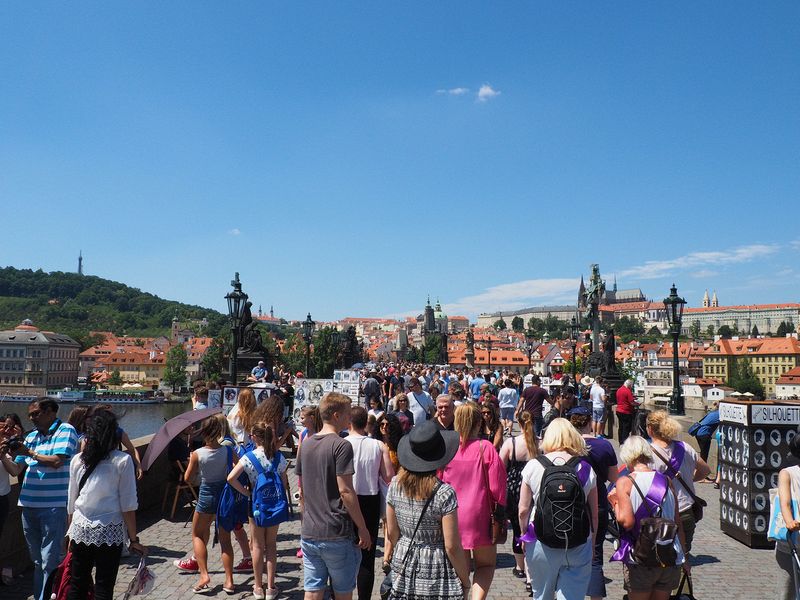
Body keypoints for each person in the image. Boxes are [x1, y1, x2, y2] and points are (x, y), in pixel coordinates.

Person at [295, 392, 371, 600]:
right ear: (336, 415)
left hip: (310, 531)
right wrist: (362, 528)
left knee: (312, 591)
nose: (350, 419)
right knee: (343, 591)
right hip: (336, 530)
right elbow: (345, 491)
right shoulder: (341, 445)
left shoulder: (307, 444)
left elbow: (302, 492)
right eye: (347, 414)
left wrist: (306, 520)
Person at [65, 408, 146, 600]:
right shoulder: (122, 461)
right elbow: (128, 504)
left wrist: (69, 533)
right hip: (109, 528)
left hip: (79, 528)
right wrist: (134, 539)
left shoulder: (77, 460)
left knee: (77, 583)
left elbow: (71, 501)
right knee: (104, 584)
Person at [385, 420, 470, 599]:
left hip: (403, 557)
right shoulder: (444, 493)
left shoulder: (394, 486)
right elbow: (452, 545)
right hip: (435, 564)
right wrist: (465, 579)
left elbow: (392, 533)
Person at [4, 398, 78, 600]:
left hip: (53, 505)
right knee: (37, 561)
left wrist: (28, 452)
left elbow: (56, 461)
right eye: (30, 415)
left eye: (35, 413)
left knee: (50, 560)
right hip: (29, 504)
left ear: (50, 412)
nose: (31, 418)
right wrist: (3, 455)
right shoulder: (32, 437)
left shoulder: (66, 430)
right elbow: (16, 469)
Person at [518, 418, 598, 600]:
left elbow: (523, 509)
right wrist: (592, 543)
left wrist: (524, 536)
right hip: (577, 541)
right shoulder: (585, 468)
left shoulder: (533, 465)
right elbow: (594, 514)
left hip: (541, 540)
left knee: (542, 595)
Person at [440, 402, 507, 600]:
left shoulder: (447, 449)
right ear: (479, 422)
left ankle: (462, 594)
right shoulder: (485, 448)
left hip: (451, 515)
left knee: (459, 568)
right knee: (486, 565)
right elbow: (497, 488)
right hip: (480, 515)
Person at [610, 436, 687, 600]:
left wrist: (615, 503)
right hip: (669, 553)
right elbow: (676, 520)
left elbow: (627, 522)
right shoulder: (666, 480)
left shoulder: (625, 482)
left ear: (627, 456)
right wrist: (685, 556)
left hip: (641, 557)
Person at [227, 421, 289, 600]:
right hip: (275, 505)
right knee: (271, 545)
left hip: (256, 505)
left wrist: (247, 492)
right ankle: (270, 587)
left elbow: (231, 478)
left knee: (257, 546)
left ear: (254, 437)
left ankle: (257, 586)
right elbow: (284, 483)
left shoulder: (249, 457)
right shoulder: (278, 457)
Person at [570, 406, 618, 600]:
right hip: (596, 501)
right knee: (595, 554)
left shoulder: (567, 445)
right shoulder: (604, 445)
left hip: (570, 501)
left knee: (569, 552)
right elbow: (614, 476)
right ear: (590, 422)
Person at [183, 414, 235, 593]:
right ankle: (229, 581)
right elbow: (238, 468)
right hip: (224, 497)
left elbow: (187, 478)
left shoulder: (198, 454)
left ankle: (204, 574)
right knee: (226, 541)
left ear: (203, 432)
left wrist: (193, 463)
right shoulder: (228, 450)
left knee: (197, 534)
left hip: (206, 495)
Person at [346, 406, 395, 599]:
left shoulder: (341, 443)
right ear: (366, 423)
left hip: (347, 500)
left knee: (344, 554)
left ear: (349, 421)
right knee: (367, 556)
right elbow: (389, 476)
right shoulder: (378, 446)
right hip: (370, 501)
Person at [647, 410, 710, 554]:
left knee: (659, 556)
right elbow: (705, 470)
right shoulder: (685, 447)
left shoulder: (647, 453)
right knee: (683, 554)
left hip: (659, 512)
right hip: (685, 510)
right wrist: (689, 479)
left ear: (650, 429)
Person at [499, 411, 538, 593]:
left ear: (519, 424)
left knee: (517, 527)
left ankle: (520, 567)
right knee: (533, 527)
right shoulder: (540, 443)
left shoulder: (511, 443)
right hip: (535, 486)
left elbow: (500, 467)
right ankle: (532, 568)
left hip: (514, 488)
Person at [775, 432, 800, 600]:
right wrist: (790, 521)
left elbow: (784, 502)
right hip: (794, 535)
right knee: (789, 586)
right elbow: (784, 502)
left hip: (795, 535)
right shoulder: (788, 473)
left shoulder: (788, 472)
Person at [0, 414, 24, 544]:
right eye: (4, 426)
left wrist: (18, 439)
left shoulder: (15, 449)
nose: (7, 430)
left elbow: (15, 471)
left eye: (11, 427)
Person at [616, 379, 639, 445]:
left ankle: (620, 441)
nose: (631, 387)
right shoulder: (627, 391)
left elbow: (623, 399)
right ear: (629, 385)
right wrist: (637, 404)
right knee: (626, 428)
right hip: (626, 412)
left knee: (621, 427)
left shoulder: (619, 390)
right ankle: (624, 442)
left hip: (619, 410)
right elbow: (631, 402)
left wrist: (632, 398)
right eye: (631, 386)